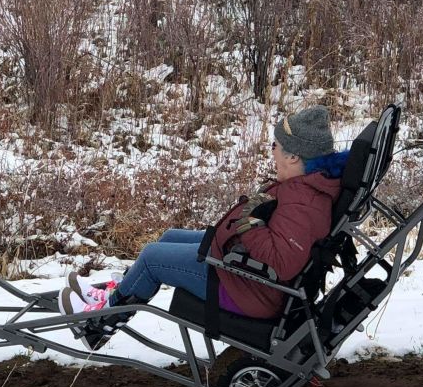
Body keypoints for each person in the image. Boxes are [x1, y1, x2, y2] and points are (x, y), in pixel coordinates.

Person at [61, 107, 346, 347]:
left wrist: (248, 220)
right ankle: (119, 293)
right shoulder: (302, 188)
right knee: (169, 237)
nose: (272, 151)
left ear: (294, 156)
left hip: (247, 289)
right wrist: (252, 212)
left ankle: (97, 326)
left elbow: (283, 262)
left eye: (276, 146)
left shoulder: (304, 202)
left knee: (151, 257)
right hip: (242, 269)